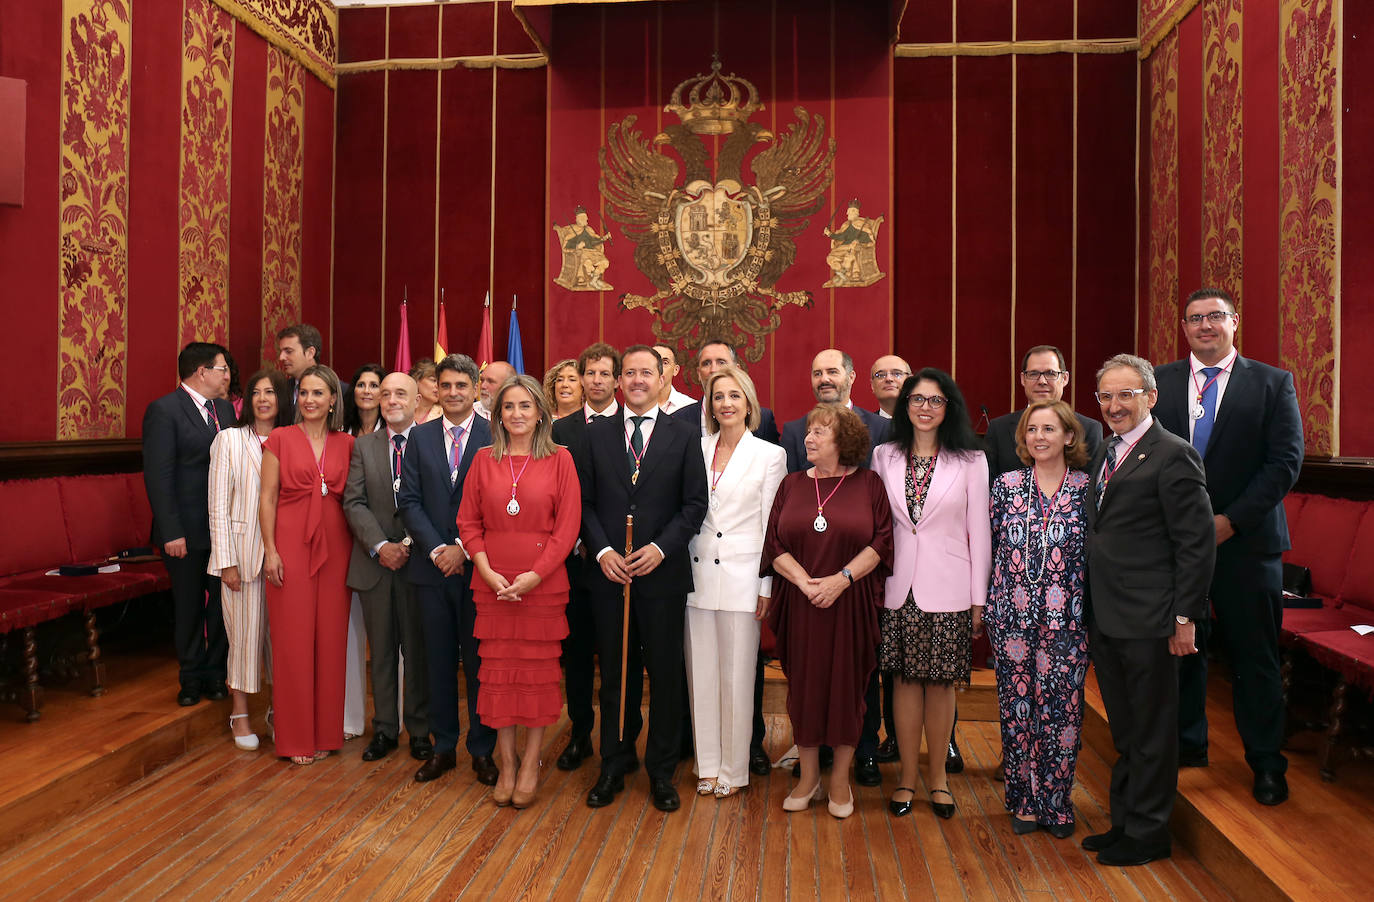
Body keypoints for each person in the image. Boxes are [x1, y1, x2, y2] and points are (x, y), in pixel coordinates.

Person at [1155, 287, 1302, 806]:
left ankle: (1266, 763)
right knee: (1181, 650)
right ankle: (1188, 746)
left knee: (1253, 657)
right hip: (1176, 547)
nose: (1205, 326)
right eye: (1194, 319)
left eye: (1215, 316)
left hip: (1247, 544)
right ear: (1184, 328)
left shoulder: (1272, 383)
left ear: (1234, 322)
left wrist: (1230, 521)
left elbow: (1284, 463)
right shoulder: (1161, 382)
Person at [1081, 354, 1214, 867]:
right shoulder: (1106, 451)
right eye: (1106, 397)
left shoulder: (1173, 455)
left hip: (1154, 619)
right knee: (1127, 729)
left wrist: (1186, 618)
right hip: (1109, 615)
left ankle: (1151, 833)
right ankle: (1126, 822)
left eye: (1126, 394)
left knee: (1154, 731)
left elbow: (1196, 545)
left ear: (1151, 397)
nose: (1114, 405)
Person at [579, 345, 709, 812]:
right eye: (628, 373)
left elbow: (695, 504)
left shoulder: (684, 433)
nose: (636, 380)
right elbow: (585, 505)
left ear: (662, 378)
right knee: (616, 674)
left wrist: (659, 548)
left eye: (645, 372)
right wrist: (604, 551)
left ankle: (661, 770)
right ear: (619, 381)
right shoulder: (595, 436)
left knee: (665, 675)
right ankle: (615, 762)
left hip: (662, 575)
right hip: (610, 577)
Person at [458, 375, 582, 807]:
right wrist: (488, 572)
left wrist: (535, 576)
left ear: (541, 413)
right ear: (498, 414)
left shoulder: (561, 460)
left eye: (525, 407)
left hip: (542, 587)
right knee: (497, 680)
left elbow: (567, 529)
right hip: (491, 584)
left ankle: (530, 763)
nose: (516, 414)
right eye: (508, 407)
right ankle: (506, 763)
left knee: (535, 679)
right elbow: (468, 523)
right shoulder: (481, 460)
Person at [871, 369, 990, 820]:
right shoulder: (884, 455)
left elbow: (979, 533)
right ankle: (904, 777)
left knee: (940, 687)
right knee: (902, 682)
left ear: (948, 408)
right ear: (904, 407)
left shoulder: (971, 461)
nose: (925, 408)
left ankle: (937, 779)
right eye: (917, 400)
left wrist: (979, 599)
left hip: (951, 588)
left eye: (935, 401)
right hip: (897, 587)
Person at [763, 405, 893, 819]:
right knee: (803, 688)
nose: (809, 438)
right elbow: (774, 544)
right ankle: (808, 775)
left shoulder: (869, 484)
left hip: (849, 604)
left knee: (847, 690)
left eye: (821, 432)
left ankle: (839, 778)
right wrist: (804, 582)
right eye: (808, 431)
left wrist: (840, 580)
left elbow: (881, 542)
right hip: (801, 604)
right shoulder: (792, 484)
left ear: (846, 440)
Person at [987, 400, 1091, 837]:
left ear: (1069, 436)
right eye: (1032, 430)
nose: (1040, 437)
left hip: (1068, 620)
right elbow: (988, 545)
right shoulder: (1006, 485)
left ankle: (1057, 803)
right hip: (1011, 617)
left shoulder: (1089, 488)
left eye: (1050, 429)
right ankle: (1024, 801)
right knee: (1017, 710)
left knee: (1063, 715)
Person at [397, 354, 499, 786]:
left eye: (463, 385)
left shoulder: (495, 433)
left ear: (476, 388)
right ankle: (443, 747)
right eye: (446, 385)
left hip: (480, 569)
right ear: (434, 390)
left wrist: (463, 548)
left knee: (480, 663)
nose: (454, 393)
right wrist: (439, 548)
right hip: (430, 568)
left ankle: (482, 749)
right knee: (436, 661)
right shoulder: (417, 438)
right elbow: (409, 502)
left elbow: (497, 502)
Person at [685, 366, 786, 799]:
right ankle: (707, 765)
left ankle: (734, 769)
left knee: (738, 676)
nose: (725, 403)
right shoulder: (695, 446)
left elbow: (771, 525)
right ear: (708, 405)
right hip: (695, 575)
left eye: (734, 396)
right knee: (701, 675)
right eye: (718, 396)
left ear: (749, 404)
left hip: (744, 576)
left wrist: (766, 586)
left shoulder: (769, 455)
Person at [259, 364, 356, 765]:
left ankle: (326, 733)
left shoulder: (348, 444)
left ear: (334, 399)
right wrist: (270, 550)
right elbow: (266, 498)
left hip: (337, 548)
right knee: (292, 642)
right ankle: (295, 737)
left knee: (332, 641)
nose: (310, 400)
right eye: (304, 393)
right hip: (290, 546)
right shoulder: (280, 438)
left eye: (319, 393)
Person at [343, 372, 432, 763]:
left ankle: (419, 730)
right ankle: (384, 729)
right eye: (385, 394)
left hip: (419, 565)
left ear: (417, 401)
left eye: (401, 394)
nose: (392, 400)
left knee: (417, 652)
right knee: (379, 652)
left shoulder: (431, 443)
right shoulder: (363, 446)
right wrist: (381, 546)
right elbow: (353, 502)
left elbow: (437, 502)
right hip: (376, 565)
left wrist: (408, 545)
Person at [142, 341, 236, 706]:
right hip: (185, 530)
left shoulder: (225, 410)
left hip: (222, 529)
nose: (227, 376)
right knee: (189, 606)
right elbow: (158, 475)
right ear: (202, 372)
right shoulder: (164, 411)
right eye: (222, 369)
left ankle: (216, 674)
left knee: (222, 607)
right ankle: (191, 678)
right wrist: (171, 531)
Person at [208, 368, 291, 749]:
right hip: (241, 558)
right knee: (243, 639)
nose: (263, 399)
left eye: (271, 392)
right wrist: (226, 562)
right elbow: (218, 507)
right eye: (256, 392)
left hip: (285, 557)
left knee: (281, 640)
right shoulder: (228, 440)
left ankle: (279, 710)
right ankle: (239, 714)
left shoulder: (291, 439)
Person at [549, 342, 621, 771]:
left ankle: (619, 738)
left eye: (602, 374)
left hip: (617, 564)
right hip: (572, 562)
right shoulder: (561, 431)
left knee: (616, 657)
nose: (595, 381)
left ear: (615, 380)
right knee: (575, 656)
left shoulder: (635, 427)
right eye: (587, 374)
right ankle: (579, 734)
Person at [340, 363, 387, 742]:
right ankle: (351, 718)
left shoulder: (401, 435)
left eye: (376, 385)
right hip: (345, 544)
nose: (368, 391)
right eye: (362, 384)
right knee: (352, 637)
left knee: (391, 645)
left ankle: (395, 719)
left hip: (389, 550)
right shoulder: (340, 434)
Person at [984, 345, 1104, 479]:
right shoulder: (998, 429)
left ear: (1064, 378)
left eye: (1050, 373)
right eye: (1033, 374)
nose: (1042, 381)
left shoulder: (1089, 429)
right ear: (1023, 379)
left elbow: (1093, 490)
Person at [779, 349, 888, 472]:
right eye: (817, 374)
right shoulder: (793, 431)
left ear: (851, 377)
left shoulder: (881, 427)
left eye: (832, 372)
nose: (824, 379)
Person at [670, 339, 780, 445]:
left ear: (737, 369)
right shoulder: (678, 421)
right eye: (706, 363)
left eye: (721, 362)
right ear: (698, 373)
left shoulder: (764, 419)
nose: (713, 369)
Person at [277, 323, 323, 415]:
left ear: (310, 353)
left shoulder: (339, 391)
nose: (281, 357)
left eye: (288, 351)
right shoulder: (280, 390)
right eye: (281, 352)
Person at [653, 344, 696, 413]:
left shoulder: (689, 406)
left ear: (675, 370)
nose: (659, 367)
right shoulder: (634, 404)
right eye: (653, 361)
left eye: (665, 363)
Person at [410, 358, 440, 425]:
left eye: (440, 382)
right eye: (433, 380)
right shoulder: (403, 409)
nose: (438, 386)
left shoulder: (445, 415)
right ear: (417, 380)